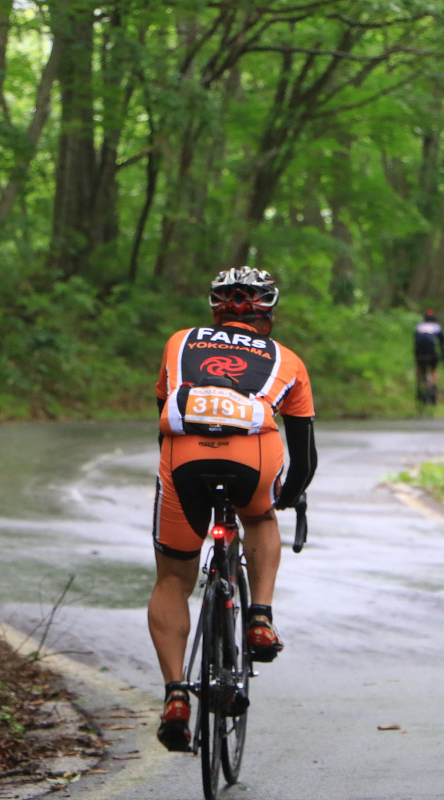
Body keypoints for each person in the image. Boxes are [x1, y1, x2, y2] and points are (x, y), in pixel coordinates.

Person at [148, 266, 317, 752]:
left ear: (214, 310)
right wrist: (289, 495)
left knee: (173, 580)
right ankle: (260, 617)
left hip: (183, 460)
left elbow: (161, 418)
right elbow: (304, 456)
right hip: (252, 461)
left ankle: (177, 695)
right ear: (268, 313)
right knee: (259, 517)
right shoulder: (288, 359)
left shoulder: (179, 342)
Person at [413, 309, 444, 404]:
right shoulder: (437, 326)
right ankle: (433, 388)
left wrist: (415, 356)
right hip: (431, 350)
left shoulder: (419, 326)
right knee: (433, 369)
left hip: (419, 351)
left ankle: (419, 387)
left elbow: (415, 341)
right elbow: (442, 343)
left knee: (420, 367)